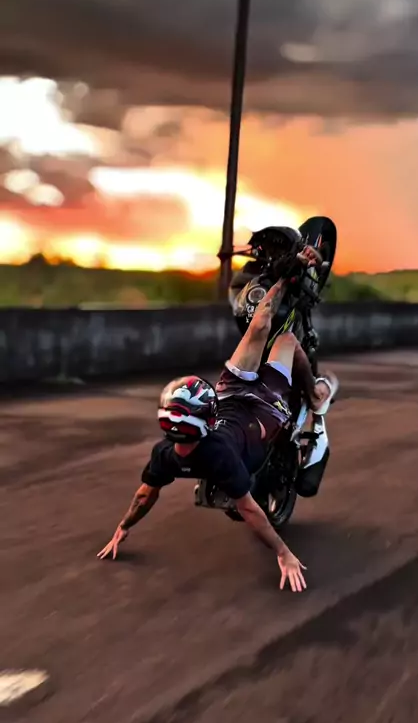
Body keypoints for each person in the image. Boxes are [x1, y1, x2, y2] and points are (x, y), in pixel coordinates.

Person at [97, 249, 336, 592]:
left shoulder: (166, 454)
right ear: (207, 417)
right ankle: (314, 393)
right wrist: (284, 554)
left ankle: (284, 278)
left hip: (232, 392)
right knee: (285, 338)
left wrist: (124, 526)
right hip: (263, 405)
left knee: (259, 327)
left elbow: (145, 495)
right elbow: (250, 512)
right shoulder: (219, 456)